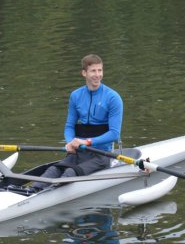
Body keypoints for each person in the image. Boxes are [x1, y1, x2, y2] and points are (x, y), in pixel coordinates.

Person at [29, 54, 123, 192]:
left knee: (69, 174)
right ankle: (32, 191)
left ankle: (48, 195)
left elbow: (114, 134)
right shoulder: (76, 96)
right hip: (78, 152)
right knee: (53, 170)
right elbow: (69, 126)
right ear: (84, 73)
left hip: (101, 155)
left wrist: (87, 142)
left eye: (100, 70)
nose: (97, 75)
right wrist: (70, 142)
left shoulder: (113, 98)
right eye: (93, 71)